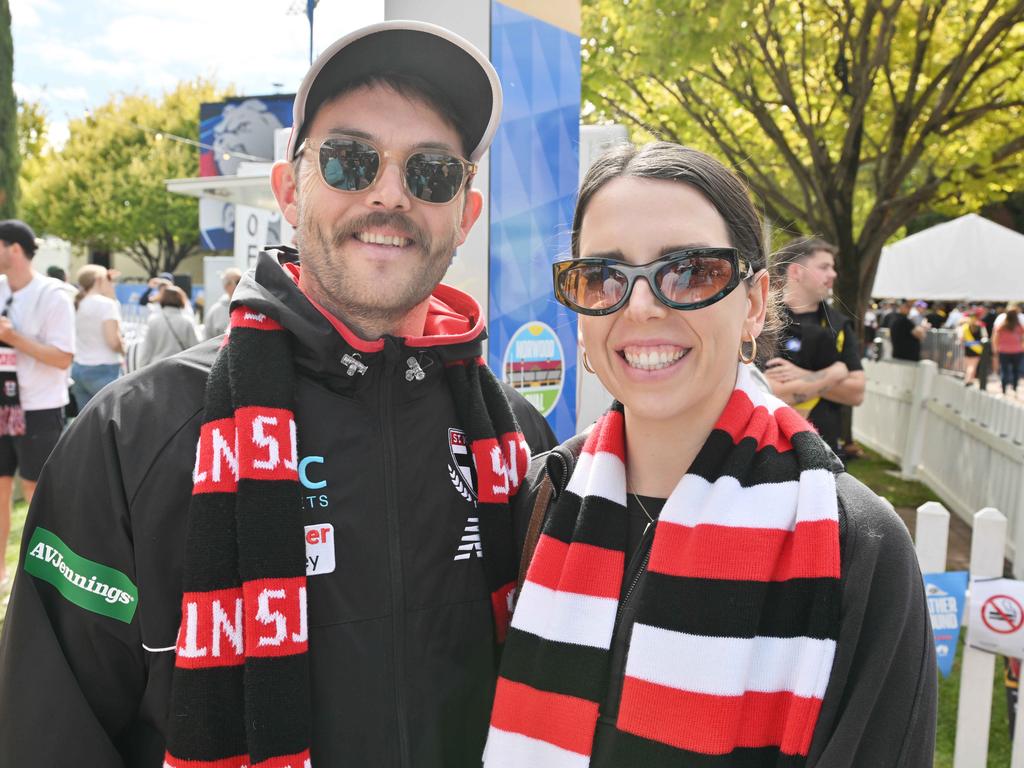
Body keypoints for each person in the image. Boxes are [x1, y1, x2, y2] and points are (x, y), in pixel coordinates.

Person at [0, 20, 556, 767]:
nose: (390, 193)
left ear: (466, 215)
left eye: (431, 172)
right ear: (291, 191)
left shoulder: (517, 443)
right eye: (352, 160)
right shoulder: (138, 435)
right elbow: (49, 734)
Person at [486, 142, 936, 767]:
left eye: (690, 271)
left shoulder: (855, 548)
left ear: (754, 303)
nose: (641, 306)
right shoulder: (540, 500)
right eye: (604, 276)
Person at [0, 220, 75, 586]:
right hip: (2, 407)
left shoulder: (52, 294)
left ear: (14, 248)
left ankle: (44, 581)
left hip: (39, 407)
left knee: (36, 493)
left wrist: (13, 337)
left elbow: (63, 357)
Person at [762, 237, 865, 454]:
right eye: (824, 267)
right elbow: (771, 391)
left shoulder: (839, 324)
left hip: (826, 454)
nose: (833, 274)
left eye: (833, 267)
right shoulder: (763, 321)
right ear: (796, 272)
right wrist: (836, 371)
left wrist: (800, 375)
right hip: (770, 451)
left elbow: (856, 392)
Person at [70, 264, 124, 410]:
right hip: (104, 369)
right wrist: (124, 350)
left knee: (86, 424)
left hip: (78, 367)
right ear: (99, 279)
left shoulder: (76, 303)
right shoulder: (107, 305)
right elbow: (113, 341)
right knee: (113, 418)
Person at [137, 284, 199, 367]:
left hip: (157, 368)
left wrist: (140, 369)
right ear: (181, 300)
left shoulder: (153, 321)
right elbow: (195, 349)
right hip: (181, 368)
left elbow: (147, 350)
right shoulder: (187, 322)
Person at [992, 303, 1023, 395]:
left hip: (1004, 350)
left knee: (1004, 370)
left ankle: (1004, 390)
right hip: (1017, 350)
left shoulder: (1002, 325)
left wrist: (995, 348)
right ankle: (1014, 388)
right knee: (1016, 370)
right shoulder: (1019, 326)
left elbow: (995, 336)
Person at [204, 266, 242, 338]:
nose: (242, 284)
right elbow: (207, 339)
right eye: (238, 281)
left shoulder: (250, 306)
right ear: (226, 286)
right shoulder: (215, 312)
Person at [888, 297, 930, 362]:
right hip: (907, 358)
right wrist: (923, 327)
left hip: (900, 356)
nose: (910, 309)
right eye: (908, 306)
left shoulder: (894, 318)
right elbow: (920, 334)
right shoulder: (903, 320)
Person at [960, 307, 988, 386]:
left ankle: (969, 379)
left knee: (968, 365)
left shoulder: (965, 327)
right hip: (977, 348)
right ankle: (968, 380)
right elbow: (985, 336)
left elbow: (961, 338)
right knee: (973, 366)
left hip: (967, 347)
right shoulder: (981, 326)